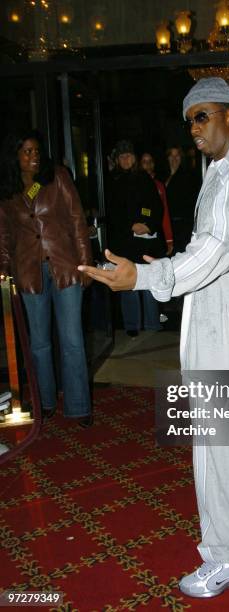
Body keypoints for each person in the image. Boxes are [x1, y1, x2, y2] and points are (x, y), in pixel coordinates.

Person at [79, 77, 229, 598]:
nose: (193, 127)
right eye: (189, 118)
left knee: (219, 448)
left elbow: (213, 250)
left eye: (204, 116)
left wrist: (145, 278)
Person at [0, 130, 93, 427]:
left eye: (36, 150)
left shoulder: (57, 177)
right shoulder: (8, 191)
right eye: (27, 151)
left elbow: (77, 218)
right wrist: (4, 269)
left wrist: (86, 262)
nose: (33, 155)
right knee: (39, 344)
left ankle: (79, 406)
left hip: (65, 266)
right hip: (28, 271)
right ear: (15, 156)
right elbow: (3, 236)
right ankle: (47, 402)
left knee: (72, 339)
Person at [105, 140, 165, 336]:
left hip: (146, 241)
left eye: (129, 155)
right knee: (127, 284)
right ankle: (131, 325)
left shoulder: (145, 179)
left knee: (148, 283)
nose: (126, 159)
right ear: (117, 160)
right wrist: (130, 225)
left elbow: (156, 206)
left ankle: (152, 324)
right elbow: (112, 213)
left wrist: (146, 224)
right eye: (122, 156)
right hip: (124, 242)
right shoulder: (112, 182)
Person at [165, 145, 199, 254]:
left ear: (181, 157)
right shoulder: (162, 175)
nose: (174, 158)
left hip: (182, 228)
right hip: (166, 226)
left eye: (177, 155)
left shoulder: (187, 177)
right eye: (171, 155)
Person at [140, 152, 173, 256]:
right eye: (144, 162)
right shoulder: (134, 184)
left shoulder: (159, 185)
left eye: (150, 161)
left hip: (156, 237)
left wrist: (169, 239)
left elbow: (165, 213)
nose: (148, 164)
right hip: (138, 236)